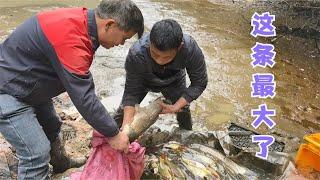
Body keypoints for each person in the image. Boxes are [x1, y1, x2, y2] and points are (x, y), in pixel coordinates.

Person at [0, 0, 144, 178]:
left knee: (52, 125)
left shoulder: (83, 22)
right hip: (7, 90)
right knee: (36, 154)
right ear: (109, 24)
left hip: (27, 81)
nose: (122, 44)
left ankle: (61, 165)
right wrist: (113, 134)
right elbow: (83, 96)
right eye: (124, 38)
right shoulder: (72, 37)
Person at [114, 19, 208, 131]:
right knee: (122, 113)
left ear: (180, 47)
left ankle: (186, 136)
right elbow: (131, 93)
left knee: (183, 110)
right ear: (150, 42)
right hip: (143, 80)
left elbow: (199, 83)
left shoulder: (190, 49)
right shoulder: (136, 54)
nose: (160, 61)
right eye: (154, 54)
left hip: (174, 80)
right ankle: (109, 137)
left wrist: (176, 106)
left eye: (167, 57)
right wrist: (126, 129)